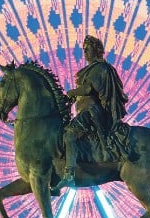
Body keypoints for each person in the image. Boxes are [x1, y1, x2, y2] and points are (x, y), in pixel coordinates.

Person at [54, 35, 128, 189]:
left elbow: (88, 88)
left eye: (88, 49)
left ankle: (69, 174)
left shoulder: (100, 68)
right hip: (85, 110)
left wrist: (72, 92)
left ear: (97, 50)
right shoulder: (92, 69)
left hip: (92, 111)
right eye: (84, 50)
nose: (85, 52)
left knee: (69, 134)